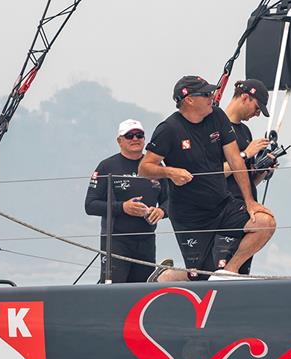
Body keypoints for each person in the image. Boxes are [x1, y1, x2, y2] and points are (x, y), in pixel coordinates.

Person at [138, 76, 276, 281]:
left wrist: (250, 202)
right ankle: (165, 276)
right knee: (200, 276)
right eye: (206, 94)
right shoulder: (168, 129)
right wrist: (171, 172)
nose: (212, 97)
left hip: (222, 204)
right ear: (189, 100)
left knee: (265, 223)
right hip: (189, 215)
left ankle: (228, 273)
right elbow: (144, 168)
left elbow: (236, 161)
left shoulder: (217, 116)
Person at [84, 119, 169, 282]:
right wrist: (123, 207)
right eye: (129, 136)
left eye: (140, 135)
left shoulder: (155, 165)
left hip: (146, 240)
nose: (135, 139)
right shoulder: (106, 166)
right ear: (119, 141)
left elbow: (170, 201)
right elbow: (90, 205)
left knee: (142, 292)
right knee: (113, 291)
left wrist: (161, 211)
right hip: (116, 241)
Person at [218, 79, 273, 273]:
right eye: (257, 108)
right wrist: (245, 154)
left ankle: (231, 272)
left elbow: (246, 179)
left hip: (245, 205)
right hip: (223, 208)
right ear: (245, 97)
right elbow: (214, 174)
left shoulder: (244, 130)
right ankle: (168, 276)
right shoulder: (216, 127)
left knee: (238, 272)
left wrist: (262, 171)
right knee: (207, 273)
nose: (257, 114)